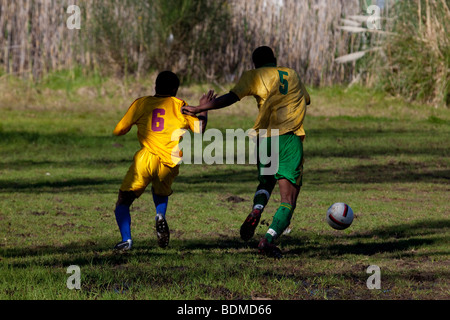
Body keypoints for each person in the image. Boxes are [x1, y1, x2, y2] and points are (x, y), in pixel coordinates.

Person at [182, 46, 311, 258]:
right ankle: (268, 240)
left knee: (266, 182)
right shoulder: (292, 73)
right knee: (288, 200)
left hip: (264, 139)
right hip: (289, 138)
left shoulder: (253, 75)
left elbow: (232, 97)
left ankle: (257, 209)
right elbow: (306, 99)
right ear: (275, 60)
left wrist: (199, 108)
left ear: (254, 63)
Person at [112, 71, 213, 251]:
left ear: (155, 86)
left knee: (123, 202)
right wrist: (204, 107)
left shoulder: (141, 103)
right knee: (161, 193)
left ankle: (126, 240)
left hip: (146, 159)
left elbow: (119, 130)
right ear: (175, 89)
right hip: (170, 161)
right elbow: (199, 129)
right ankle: (159, 215)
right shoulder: (181, 105)